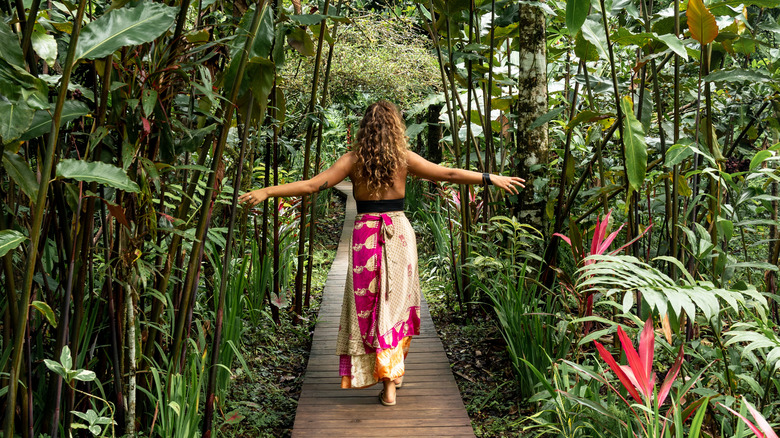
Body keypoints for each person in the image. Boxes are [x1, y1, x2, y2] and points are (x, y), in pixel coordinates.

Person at [239, 100, 524, 406]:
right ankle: (391, 379)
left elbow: (311, 186)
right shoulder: (404, 158)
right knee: (396, 305)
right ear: (396, 127)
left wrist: (267, 191)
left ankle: (387, 375)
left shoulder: (351, 160)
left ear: (364, 129)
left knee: (371, 306)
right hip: (398, 233)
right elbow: (449, 174)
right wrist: (489, 177)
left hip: (365, 235)